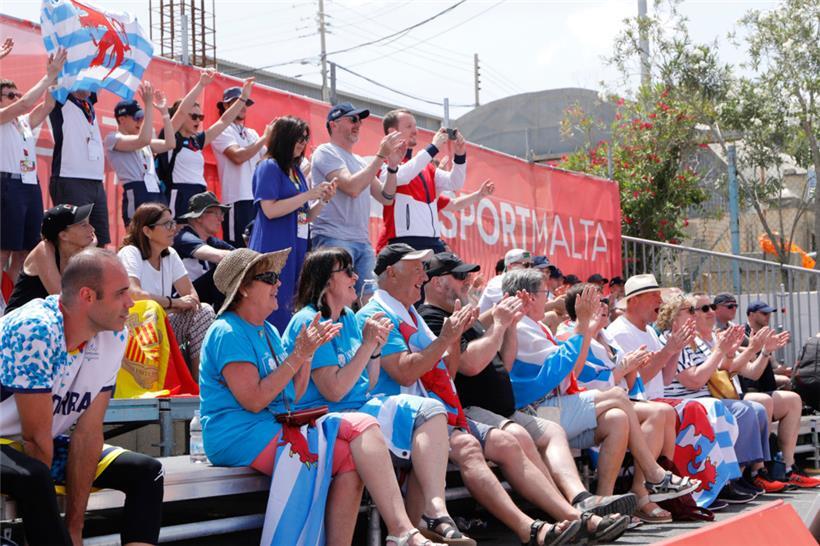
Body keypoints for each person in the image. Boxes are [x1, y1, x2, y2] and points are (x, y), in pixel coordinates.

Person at [358, 244, 630, 546]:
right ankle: (560, 517)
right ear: (392, 272)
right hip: (449, 414)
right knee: (613, 404)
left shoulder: (418, 315)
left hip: (473, 412)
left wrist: (503, 327)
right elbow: (547, 373)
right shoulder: (399, 314)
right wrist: (580, 329)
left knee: (611, 411)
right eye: (416, 268)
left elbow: (452, 371)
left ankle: (579, 510)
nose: (422, 274)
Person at [200, 247, 445, 546]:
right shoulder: (227, 331)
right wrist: (299, 355)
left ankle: (397, 532)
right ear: (244, 289)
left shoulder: (267, 331)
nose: (278, 283)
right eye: (269, 277)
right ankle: (402, 531)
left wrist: (305, 357)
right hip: (238, 434)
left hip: (270, 424)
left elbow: (294, 393)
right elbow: (253, 400)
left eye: (276, 277)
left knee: (352, 461)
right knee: (358, 432)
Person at [419, 253, 638, 529]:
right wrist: (502, 323)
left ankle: (580, 501)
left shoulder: (466, 315)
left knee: (556, 431)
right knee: (614, 403)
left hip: (507, 409)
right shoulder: (434, 317)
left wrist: (509, 324)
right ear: (437, 282)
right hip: (480, 410)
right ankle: (572, 515)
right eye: (460, 276)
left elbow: (505, 363)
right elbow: (473, 365)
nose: (468, 281)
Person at [284, 247, 476, 545]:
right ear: (326, 281)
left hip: (357, 407)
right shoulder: (310, 321)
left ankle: (434, 511)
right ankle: (403, 530)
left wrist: (373, 348)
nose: (355, 276)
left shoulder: (348, 318)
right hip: (322, 415)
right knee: (369, 433)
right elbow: (334, 390)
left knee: (432, 410)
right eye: (346, 271)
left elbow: (367, 382)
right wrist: (367, 347)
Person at [0, 248, 163, 546]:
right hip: (17, 443)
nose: (131, 303)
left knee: (146, 473)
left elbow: (88, 434)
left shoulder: (114, 333)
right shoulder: (35, 329)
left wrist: (75, 529)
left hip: (29, 444)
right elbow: (36, 441)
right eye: (121, 293)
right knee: (34, 475)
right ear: (88, 296)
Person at [501, 269, 699, 505]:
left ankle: (603, 501)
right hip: (538, 411)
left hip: (555, 406)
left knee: (617, 418)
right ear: (531, 296)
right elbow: (565, 369)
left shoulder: (537, 326)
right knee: (617, 397)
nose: (550, 297)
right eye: (546, 292)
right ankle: (654, 475)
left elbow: (569, 369)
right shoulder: (523, 326)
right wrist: (584, 325)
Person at [558, 283, 689, 522]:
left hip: (614, 402)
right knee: (655, 412)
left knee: (662, 412)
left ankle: (635, 493)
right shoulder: (567, 333)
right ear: (581, 306)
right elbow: (576, 379)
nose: (604, 305)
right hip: (581, 405)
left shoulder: (606, 335)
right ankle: (647, 486)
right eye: (597, 301)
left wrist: (631, 368)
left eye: (603, 300)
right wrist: (622, 370)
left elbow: (628, 382)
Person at [656, 294, 790, 496]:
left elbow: (733, 369)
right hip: (694, 400)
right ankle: (731, 479)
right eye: (694, 310)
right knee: (746, 410)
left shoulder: (698, 341)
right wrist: (728, 350)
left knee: (758, 407)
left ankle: (749, 474)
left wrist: (759, 350)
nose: (710, 312)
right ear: (674, 315)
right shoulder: (677, 339)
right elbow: (696, 380)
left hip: (707, 399)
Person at [249, 116, 337, 331]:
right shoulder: (269, 166)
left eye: (305, 138)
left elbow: (305, 217)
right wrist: (308, 195)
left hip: (296, 250)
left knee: (291, 305)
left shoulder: (296, 171)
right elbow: (269, 210)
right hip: (273, 249)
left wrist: (323, 199)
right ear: (284, 137)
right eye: (298, 137)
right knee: (272, 306)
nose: (302, 143)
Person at [310, 102, 404, 296]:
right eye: (352, 119)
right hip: (333, 238)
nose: (358, 124)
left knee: (368, 299)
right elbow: (352, 187)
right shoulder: (325, 151)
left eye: (359, 120)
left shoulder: (360, 161)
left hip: (362, 241)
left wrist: (392, 166)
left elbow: (386, 198)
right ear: (333, 124)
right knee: (335, 298)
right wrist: (380, 156)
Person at [118, 203, 215, 379]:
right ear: (147, 231)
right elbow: (135, 295)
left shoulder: (170, 253)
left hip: (162, 323)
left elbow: (193, 298)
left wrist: (170, 306)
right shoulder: (130, 252)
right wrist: (174, 303)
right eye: (167, 224)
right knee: (153, 313)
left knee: (204, 311)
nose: (174, 228)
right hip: (135, 329)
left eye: (173, 223)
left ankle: (199, 387)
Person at [1, 49, 65, 282]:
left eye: (16, 93)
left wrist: (56, 77)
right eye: (10, 95)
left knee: (25, 252)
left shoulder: (24, 122)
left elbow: (47, 105)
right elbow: (25, 104)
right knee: (3, 251)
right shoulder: (2, 117)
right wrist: (48, 76)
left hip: (30, 186)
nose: (16, 98)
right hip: (8, 184)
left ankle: (10, 301)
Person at [160, 71, 255, 219]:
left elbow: (224, 121)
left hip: (199, 195)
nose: (198, 120)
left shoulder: (197, 141)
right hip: (179, 194)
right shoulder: (170, 137)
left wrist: (243, 98)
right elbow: (182, 110)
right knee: (177, 238)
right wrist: (201, 85)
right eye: (194, 116)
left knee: (200, 237)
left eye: (201, 117)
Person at [377, 109, 467, 253]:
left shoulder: (425, 166)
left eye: (415, 126)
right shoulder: (383, 162)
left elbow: (455, 182)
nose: (415, 131)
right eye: (409, 127)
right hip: (403, 242)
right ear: (392, 131)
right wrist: (433, 148)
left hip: (432, 241)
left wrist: (460, 155)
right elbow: (402, 176)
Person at [48, 80, 115, 247]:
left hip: (95, 182)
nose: (93, 83)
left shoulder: (88, 103)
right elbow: (56, 81)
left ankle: (94, 274)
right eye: (87, 77)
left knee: (99, 242)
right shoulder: (62, 100)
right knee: (75, 243)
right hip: (70, 179)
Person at [105, 82, 176, 225]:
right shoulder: (113, 138)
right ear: (122, 119)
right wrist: (149, 105)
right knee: (137, 236)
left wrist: (164, 113)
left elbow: (170, 144)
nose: (140, 122)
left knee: (161, 236)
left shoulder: (145, 141)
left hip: (156, 190)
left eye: (142, 118)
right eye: (137, 118)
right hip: (137, 191)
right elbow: (142, 140)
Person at [5, 204, 96, 314]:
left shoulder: (75, 251)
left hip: (47, 320)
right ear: (63, 236)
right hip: (21, 322)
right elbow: (62, 300)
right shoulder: (43, 250)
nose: (92, 229)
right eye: (83, 225)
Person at [210, 86, 271, 247]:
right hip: (235, 199)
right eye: (238, 102)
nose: (243, 107)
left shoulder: (251, 133)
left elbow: (266, 159)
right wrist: (264, 138)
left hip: (256, 198)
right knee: (236, 249)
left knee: (255, 248)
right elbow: (238, 157)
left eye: (245, 103)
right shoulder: (221, 130)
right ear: (225, 105)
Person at [174, 191, 235, 309]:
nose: (221, 219)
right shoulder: (183, 237)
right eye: (217, 214)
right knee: (223, 272)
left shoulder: (211, 240)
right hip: (183, 301)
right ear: (199, 217)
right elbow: (221, 256)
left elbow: (238, 253)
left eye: (221, 214)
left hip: (200, 297)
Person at [741, 300, 793, 391]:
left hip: (765, 380)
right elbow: (750, 370)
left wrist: (782, 369)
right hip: (752, 384)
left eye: (769, 313)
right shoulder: (742, 334)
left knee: (787, 381)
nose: (768, 316)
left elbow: (771, 361)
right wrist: (777, 371)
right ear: (751, 315)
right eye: (764, 313)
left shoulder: (764, 333)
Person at [478, 248, 532, 313]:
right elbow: (512, 307)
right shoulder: (497, 282)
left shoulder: (521, 282)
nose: (529, 268)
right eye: (526, 265)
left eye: (531, 265)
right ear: (510, 266)